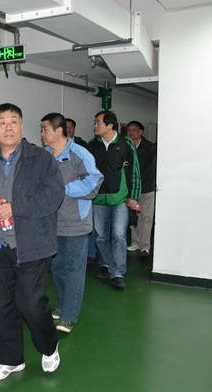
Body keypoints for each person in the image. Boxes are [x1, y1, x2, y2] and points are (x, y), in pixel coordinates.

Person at [0, 103, 64, 381]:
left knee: (31, 303)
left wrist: (16, 207)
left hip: (32, 245)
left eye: (13, 121)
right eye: (2, 122)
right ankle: (10, 360)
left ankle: (49, 346)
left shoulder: (41, 159)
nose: (8, 127)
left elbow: (53, 196)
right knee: (3, 306)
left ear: (22, 127)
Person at [41, 113, 103, 333]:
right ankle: (62, 306)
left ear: (58, 131)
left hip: (76, 222)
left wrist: (63, 189)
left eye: (45, 129)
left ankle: (69, 316)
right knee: (57, 267)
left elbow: (94, 181)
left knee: (74, 269)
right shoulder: (45, 155)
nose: (42, 133)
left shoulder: (80, 154)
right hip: (53, 223)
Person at [87, 111, 141, 291]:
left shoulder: (126, 144)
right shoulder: (92, 145)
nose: (95, 126)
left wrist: (134, 196)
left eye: (98, 122)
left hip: (120, 199)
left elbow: (135, 171)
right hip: (98, 199)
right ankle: (106, 264)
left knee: (118, 236)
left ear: (110, 126)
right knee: (101, 236)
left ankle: (117, 273)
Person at [125, 121, 156, 257]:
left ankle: (145, 246)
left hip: (147, 188)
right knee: (133, 217)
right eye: (129, 130)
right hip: (130, 189)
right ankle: (135, 242)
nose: (131, 132)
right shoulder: (125, 146)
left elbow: (149, 168)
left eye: (134, 129)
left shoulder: (149, 147)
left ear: (141, 132)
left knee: (146, 217)